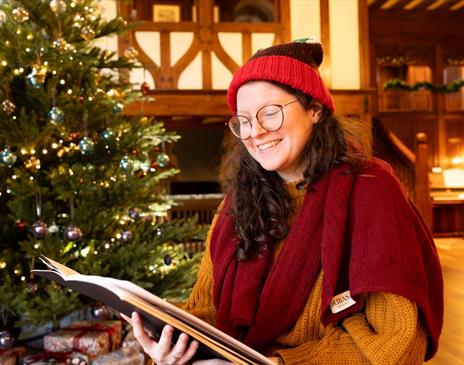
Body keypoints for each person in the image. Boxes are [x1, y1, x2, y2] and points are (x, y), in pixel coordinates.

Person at [123, 38, 443, 364]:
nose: (255, 132)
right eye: (243, 120)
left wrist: (279, 364)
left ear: (315, 109)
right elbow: (206, 311)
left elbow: (394, 343)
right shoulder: (237, 205)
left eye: (270, 114)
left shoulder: (372, 189)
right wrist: (172, 346)